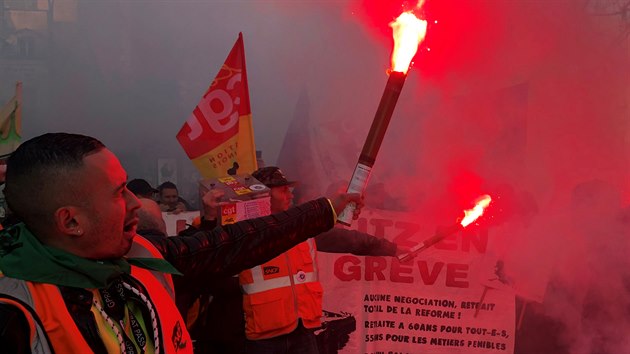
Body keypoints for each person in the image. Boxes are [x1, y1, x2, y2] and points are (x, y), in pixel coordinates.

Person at [0, 132, 363, 353]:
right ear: (70, 221)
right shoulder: (15, 317)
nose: (134, 203)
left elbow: (236, 241)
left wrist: (325, 210)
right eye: (118, 193)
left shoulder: (142, 257)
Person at [183, 166, 399, 354]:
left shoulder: (300, 226)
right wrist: (210, 218)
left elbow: (348, 240)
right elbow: (204, 256)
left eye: (290, 189)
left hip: (301, 330)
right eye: (283, 189)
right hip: (260, 337)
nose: (290, 194)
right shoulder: (242, 231)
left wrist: (391, 248)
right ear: (264, 194)